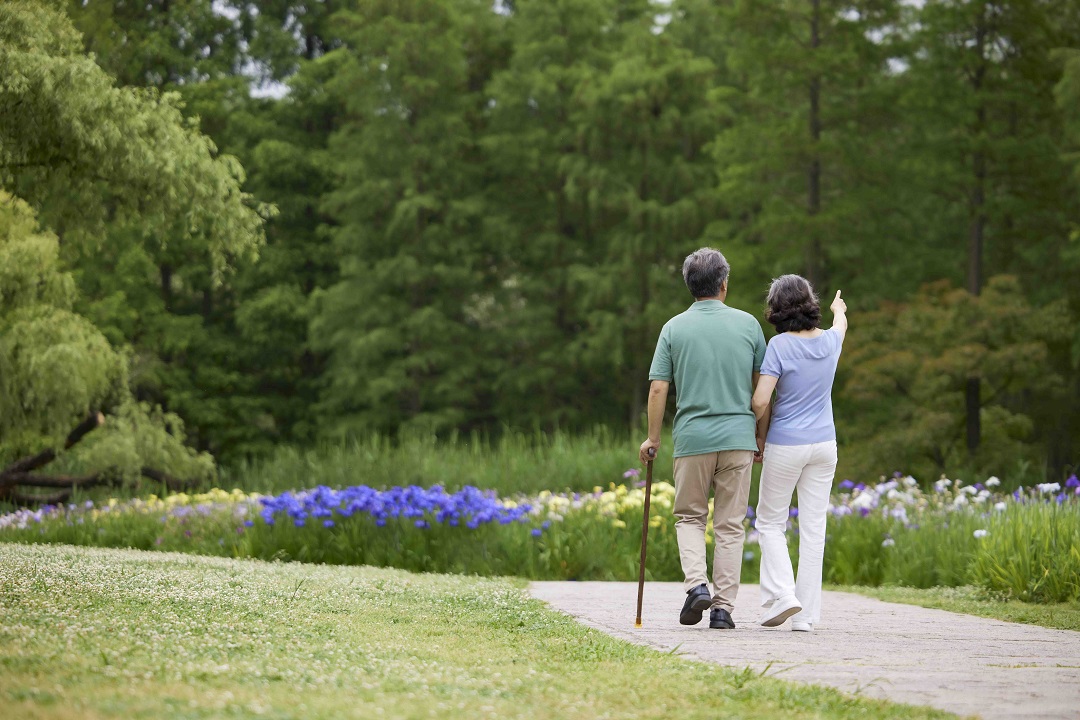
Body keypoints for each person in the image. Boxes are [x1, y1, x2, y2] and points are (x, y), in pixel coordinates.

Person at [640, 248, 766, 629]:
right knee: (730, 524)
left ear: (689, 285)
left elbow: (659, 388)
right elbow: (763, 388)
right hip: (739, 438)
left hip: (693, 438)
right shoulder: (748, 326)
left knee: (690, 517)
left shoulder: (673, 328)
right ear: (723, 284)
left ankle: (696, 586)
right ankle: (723, 610)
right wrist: (760, 435)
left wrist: (652, 439)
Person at [751, 275, 848, 632]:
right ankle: (805, 618)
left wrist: (748, 417)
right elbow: (841, 324)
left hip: (787, 444)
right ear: (810, 304)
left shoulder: (779, 346)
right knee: (813, 529)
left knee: (771, 522)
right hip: (825, 445)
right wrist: (839, 308)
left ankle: (783, 594)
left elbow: (762, 400)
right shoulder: (830, 342)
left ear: (777, 308)